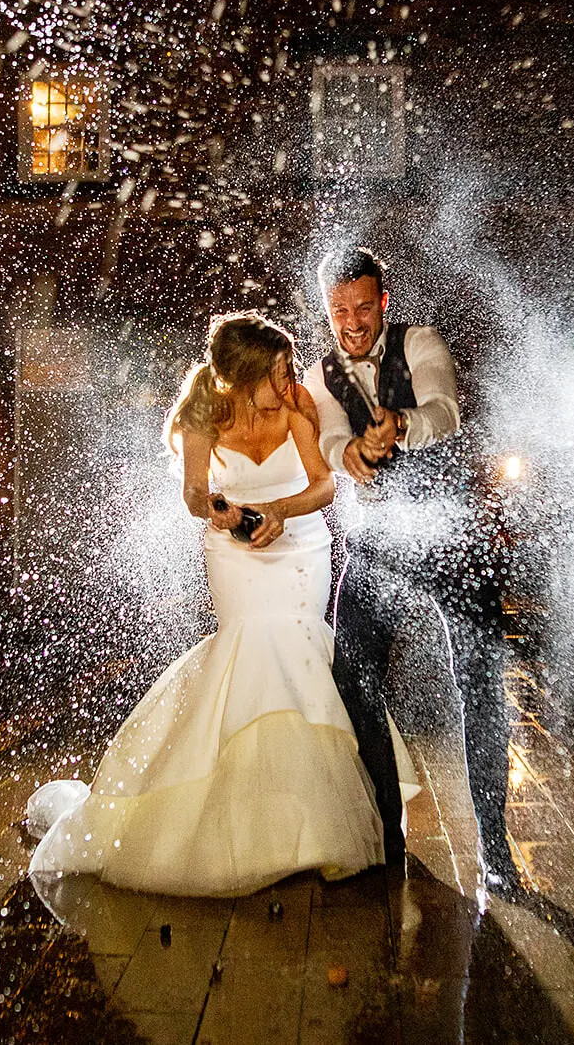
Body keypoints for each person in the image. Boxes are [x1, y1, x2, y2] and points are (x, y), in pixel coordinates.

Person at [27, 312, 417, 897]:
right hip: (233, 552)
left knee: (302, 654)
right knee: (252, 652)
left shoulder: (296, 405)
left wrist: (281, 512)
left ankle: (312, 824)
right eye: (279, 372)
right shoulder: (202, 415)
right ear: (243, 376)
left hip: (301, 546)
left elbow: (324, 484)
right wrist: (219, 508)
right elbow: (191, 492)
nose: (290, 382)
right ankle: (249, 821)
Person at [306, 245, 521, 893]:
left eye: (364, 307)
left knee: (480, 684)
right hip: (380, 542)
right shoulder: (320, 377)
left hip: (453, 536)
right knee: (352, 676)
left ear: (384, 302)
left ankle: (496, 845)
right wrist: (352, 453)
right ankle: (388, 834)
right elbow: (328, 438)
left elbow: (445, 412)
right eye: (340, 309)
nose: (353, 320)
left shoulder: (420, 341)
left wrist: (400, 425)